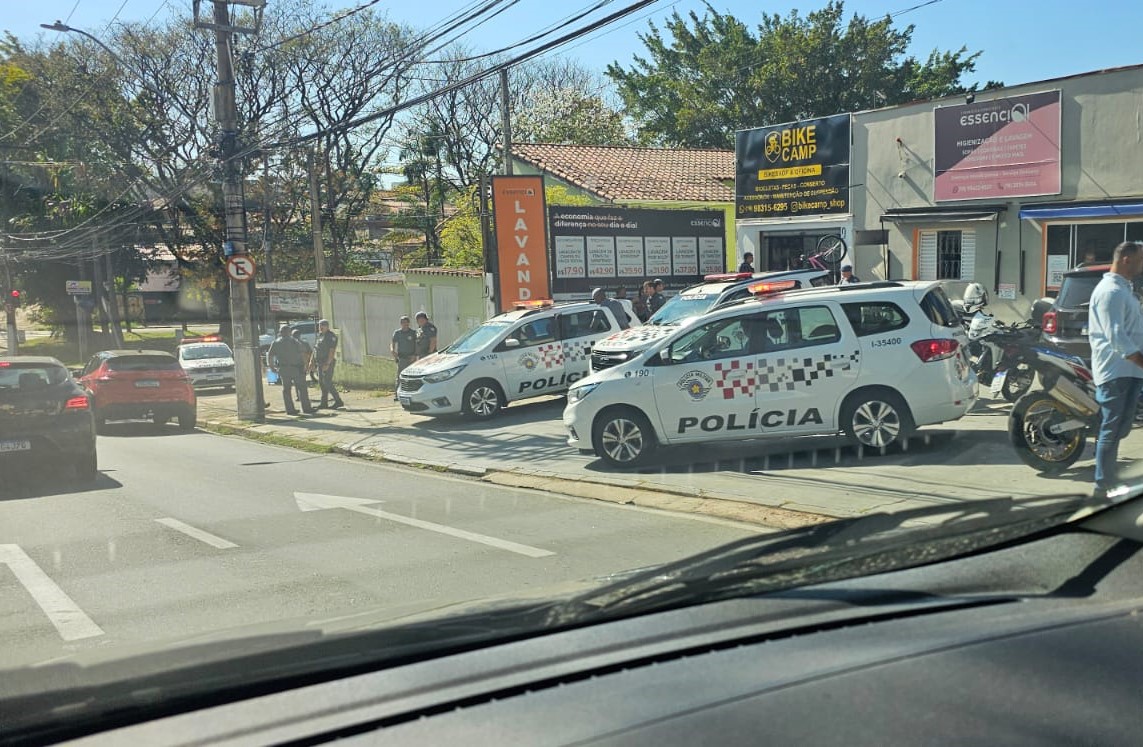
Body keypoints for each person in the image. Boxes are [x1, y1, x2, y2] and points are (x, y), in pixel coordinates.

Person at [1088, 240, 1143, 496]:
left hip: (1130, 370)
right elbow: (1116, 336)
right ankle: (1103, 486)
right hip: (1115, 370)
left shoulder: (1125, 290)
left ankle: (1107, 478)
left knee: (1120, 428)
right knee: (1111, 428)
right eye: (1141, 259)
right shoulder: (1110, 291)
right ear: (1126, 259)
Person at [266, 325, 314, 415]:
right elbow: (303, 353)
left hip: (284, 369)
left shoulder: (275, 343)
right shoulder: (294, 341)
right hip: (296, 369)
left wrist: (272, 367)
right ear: (289, 332)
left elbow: (270, 355)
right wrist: (306, 365)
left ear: (280, 333)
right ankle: (306, 408)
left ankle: (290, 410)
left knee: (286, 390)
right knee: (302, 388)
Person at [312, 319, 345, 410]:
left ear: (327, 326)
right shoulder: (320, 336)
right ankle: (324, 403)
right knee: (322, 383)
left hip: (327, 362)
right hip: (320, 362)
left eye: (322, 325)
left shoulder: (331, 336)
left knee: (327, 382)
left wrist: (327, 363)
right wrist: (312, 361)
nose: (320, 327)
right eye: (319, 325)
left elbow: (332, 351)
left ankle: (338, 401)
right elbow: (315, 349)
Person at [391, 315, 418, 401]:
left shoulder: (413, 333)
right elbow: (392, 342)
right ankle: (397, 395)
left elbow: (417, 344)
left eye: (406, 322)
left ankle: (412, 394)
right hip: (402, 358)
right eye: (403, 323)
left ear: (409, 323)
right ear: (401, 324)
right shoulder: (397, 333)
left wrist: (415, 355)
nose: (404, 324)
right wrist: (392, 350)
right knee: (400, 376)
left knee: (412, 376)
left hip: (411, 358)